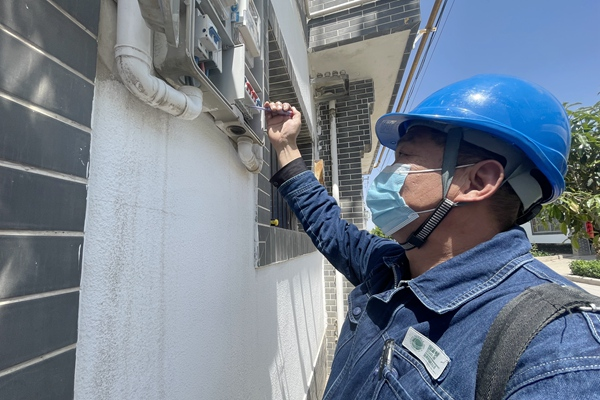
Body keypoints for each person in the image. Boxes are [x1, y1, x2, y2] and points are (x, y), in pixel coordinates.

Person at [264, 74, 600, 399]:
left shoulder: (558, 347)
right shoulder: (389, 267)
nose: (386, 176)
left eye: (403, 158)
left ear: (478, 181)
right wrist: (285, 145)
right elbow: (327, 225)